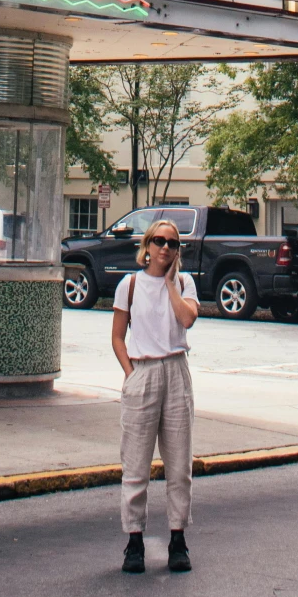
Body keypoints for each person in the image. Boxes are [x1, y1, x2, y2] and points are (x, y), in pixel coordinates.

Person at [112, 215, 199, 574]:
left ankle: (177, 539)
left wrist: (171, 284)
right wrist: (132, 376)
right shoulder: (129, 285)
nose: (166, 247)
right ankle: (134, 541)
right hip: (143, 372)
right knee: (135, 465)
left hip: (176, 371)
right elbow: (118, 336)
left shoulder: (184, 282)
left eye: (173, 243)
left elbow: (188, 319)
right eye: (159, 241)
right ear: (146, 246)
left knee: (179, 466)